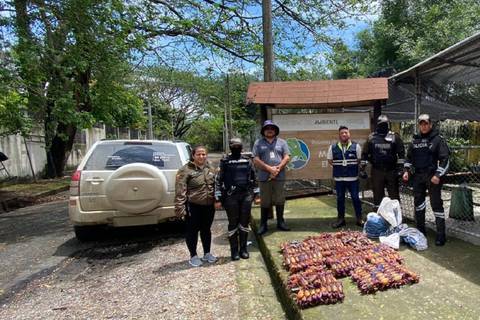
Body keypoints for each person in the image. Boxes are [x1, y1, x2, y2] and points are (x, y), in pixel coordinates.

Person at [403, 114, 450, 246]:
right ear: (419, 125)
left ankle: (441, 235)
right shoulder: (415, 140)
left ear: (430, 124)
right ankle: (420, 231)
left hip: (432, 177)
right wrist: (406, 171)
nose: (423, 126)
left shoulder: (437, 139)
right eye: (421, 124)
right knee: (419, 204)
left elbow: (445, 159)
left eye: (426, 124)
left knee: (436, 205)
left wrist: (438, 175)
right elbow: (408, 158)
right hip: (418, 176)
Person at [215, 138, 259, 261]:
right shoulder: (224, 161)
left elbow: (254, 178)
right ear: (230, 147)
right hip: (230, 197)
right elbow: (218, 180)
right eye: (234, 145)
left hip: (246, 196)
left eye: (238, 145)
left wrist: (257, 194)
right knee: (233, 223)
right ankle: (234, 251)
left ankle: (243, 249)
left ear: (241, 147)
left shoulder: (247, 161)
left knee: (244, 223)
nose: (236, 147)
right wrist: (218, 197)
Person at [175, 145, 218, 267]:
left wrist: (217, 200)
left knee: (206, 230)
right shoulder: (185, 170)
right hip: (193, 206)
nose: (201, 156)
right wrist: (180, 208)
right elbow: (180, 190)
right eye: (198, 154)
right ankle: (193, 255)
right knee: (192, 231)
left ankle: (207, 253)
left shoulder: (210, 168)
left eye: (203, 154)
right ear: (193, 155)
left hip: (208, 206)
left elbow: (215, 186)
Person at [253, 120, 291, 235]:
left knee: (280, 199)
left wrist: (277, 168)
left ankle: (281, 222)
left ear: (275, 130)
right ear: (263, 131)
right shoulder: (258, 143)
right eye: (267, 128)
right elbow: (255, 159)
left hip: (279, 176)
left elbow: (287, 157)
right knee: (265, 201)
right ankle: (263, 224)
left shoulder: (282, 142)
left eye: (272, 128)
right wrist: (270, 169)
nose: (269, 130)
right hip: (264, 177)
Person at [361, 115, 405, 210]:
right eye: (381, 124)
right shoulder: (371, 138)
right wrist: (362, 169)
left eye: (385, 124)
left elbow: (401, 154)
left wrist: (401, 169)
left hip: (391, 170)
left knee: (394, 195)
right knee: (377, 194)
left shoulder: (395, 137)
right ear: (378, 125)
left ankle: (396, 217)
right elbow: (364, 154)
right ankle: (379, 219)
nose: (383, 126)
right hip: (377, 170)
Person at [327, 126, 363, 228]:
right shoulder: (333, 147)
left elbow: (359, 159)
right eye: (342, 133)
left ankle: (359, 219)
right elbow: (330, 160)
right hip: (339, 179)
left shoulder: (356, 146)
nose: (344, 134)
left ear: (349, 134)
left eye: (346, 132)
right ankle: (341, 219)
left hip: (353, 179)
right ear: (339, 135)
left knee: (356, 198)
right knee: (340, 199)